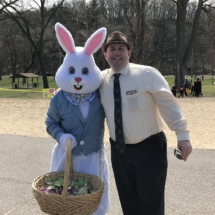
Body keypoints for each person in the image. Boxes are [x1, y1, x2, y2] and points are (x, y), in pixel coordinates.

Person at [99, 31, 192, 215]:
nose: (116, 52)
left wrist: (182, 135)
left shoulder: (147, 74)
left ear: (129, 53)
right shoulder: (100, 80)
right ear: (105, 54)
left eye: (121, 48)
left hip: (149, 149)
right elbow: (79, 89)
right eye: (112, 49)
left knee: (151, 205)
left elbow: (169, 104)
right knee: (129, 204)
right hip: (119, 152)